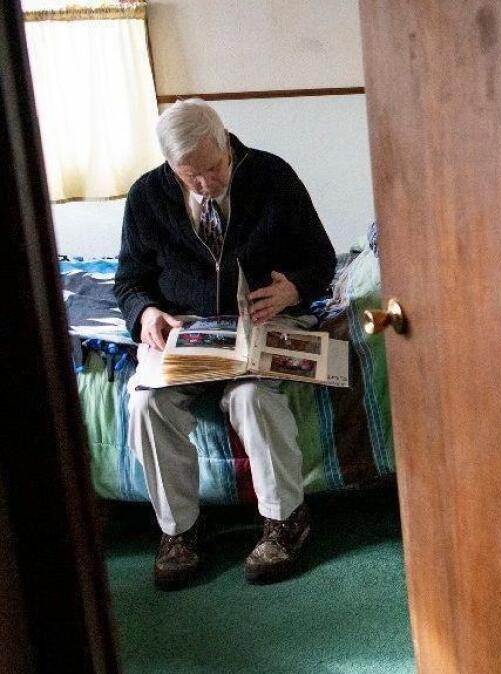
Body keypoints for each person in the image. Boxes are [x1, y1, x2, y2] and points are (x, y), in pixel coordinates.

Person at [115, 99, 336, 589]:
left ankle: (286, 521)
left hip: (261, 319)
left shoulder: (273, 176)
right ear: (171, 167)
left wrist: (293, 289)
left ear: (226, 141)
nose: (205, 185)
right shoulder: (147, 195)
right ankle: (181, 530)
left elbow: (321, 259)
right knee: (146, 405)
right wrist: (147, 313)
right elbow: (129, 282)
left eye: (213, 169)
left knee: (253, 397)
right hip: (188, 331)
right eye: (189, 175)